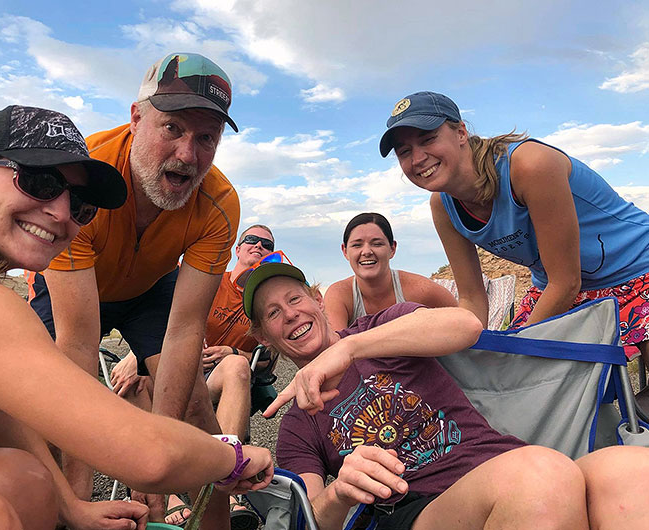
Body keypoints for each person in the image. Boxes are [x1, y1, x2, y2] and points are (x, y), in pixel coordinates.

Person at [0, 105, 273, 530]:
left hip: (143, 293)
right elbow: (146, 454)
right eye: (39, 182)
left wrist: (69, 506)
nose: (61, 213)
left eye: (80, 205)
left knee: (25, 481)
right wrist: (234, 456)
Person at [243, 259, 649, 530]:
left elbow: (466, 326)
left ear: (316, 299)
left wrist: (349, 347)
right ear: (264, 337)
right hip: (416, 507)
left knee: (632, 471)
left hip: (501, 463)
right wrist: (340, 491)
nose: (291, 313)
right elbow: (311, 519)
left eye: (294, 299)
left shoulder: (383, 329)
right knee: (540, 475)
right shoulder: (298, 420)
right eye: (274, 313)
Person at [26, 51, 243, 526]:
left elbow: (185, 330)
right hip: (74, 288)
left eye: (206, 137)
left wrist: (155, 469)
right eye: (173, 129)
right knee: (25, 398)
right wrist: (78, 499)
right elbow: (80, 344)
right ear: (136, 117)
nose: (188, 155)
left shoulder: (220, 204)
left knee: (194, 405)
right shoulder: (85, 177)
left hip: (149, 286)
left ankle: (220, 521)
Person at [377, 91, 649, 365]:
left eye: (428, 139)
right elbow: (472, 298)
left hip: (638, 271)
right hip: (555, 291)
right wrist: (472, 356)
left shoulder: (529, 166)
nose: (418, 158)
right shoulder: (443, 207)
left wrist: (515, 355)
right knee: (508, 378)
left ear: (460, 132)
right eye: (404, 151)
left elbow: (566, 282)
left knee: (518, 362)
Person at [109, 224, 275, 528]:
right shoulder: (210, 282)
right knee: (134, 382)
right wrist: (137, 355)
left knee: (237, 369)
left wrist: (235, 354)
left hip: (217, 377)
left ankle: (226, 482)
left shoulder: (264, 298)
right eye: (251, 239)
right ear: (237, 249)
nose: (259, 246)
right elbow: (161, 321)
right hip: (174, 364)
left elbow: (268, 360)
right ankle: (169, 493)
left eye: (267, 244)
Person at [324, 212, 457, 329]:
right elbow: (334, 348)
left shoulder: (421, 290)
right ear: (345, 251)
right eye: (357, 245)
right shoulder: (340, 295)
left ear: (392, 249)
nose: (366, 252)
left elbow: (465, 321)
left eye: (377, 244)